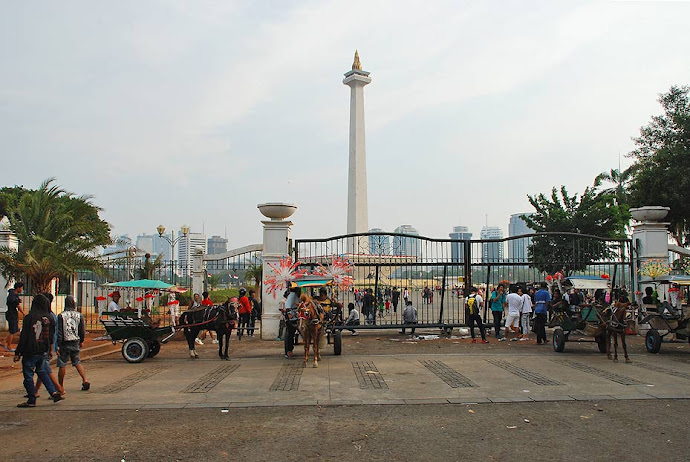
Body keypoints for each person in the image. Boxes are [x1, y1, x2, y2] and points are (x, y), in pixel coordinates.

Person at [14, 294, 63, 407]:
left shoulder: (29, 318)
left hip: (30, 350)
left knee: (28, 375)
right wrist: (51, 350)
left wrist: (18, 352)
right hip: (43, 350)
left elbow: (24, 337)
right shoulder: (50, 318)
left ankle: (31, 399)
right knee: (42, 372)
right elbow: (51, 336)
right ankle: (54, 392)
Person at [56, 295, 90, 391]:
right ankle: (84, 380)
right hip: (75, 340)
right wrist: (81, 340)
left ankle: (61, 386)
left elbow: (59, 331)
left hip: (64, 342)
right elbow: (82, 330)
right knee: (77, 361)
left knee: (62, 364)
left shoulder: (61, 316)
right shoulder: (79, 315)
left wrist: (58, 344)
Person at [2, 282, 24, 352]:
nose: (22, 289)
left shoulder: (14, 295)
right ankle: (9, 346)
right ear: (18, 288)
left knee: (13, 330)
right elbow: (17, 305)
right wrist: (24, 313)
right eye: (21, 288)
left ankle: (4, 342)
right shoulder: (13, 296)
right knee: (12, 331)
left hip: (12, 314)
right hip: (11, 314)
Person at [282, 286, 301, 358]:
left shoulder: (297, 295)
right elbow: (287, 306)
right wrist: (290, 313)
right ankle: (289, 351)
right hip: (292, 318)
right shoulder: (292, 295)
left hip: (296, 315)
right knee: (290, 334)